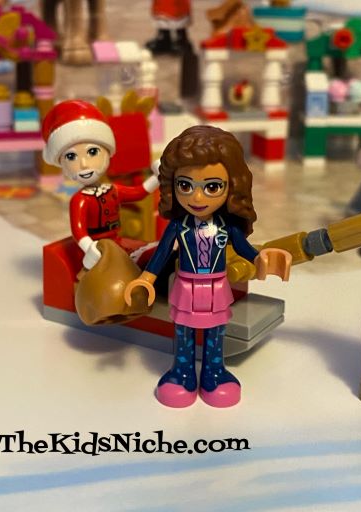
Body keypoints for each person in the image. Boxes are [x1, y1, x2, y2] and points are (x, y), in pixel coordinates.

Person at [124, 126, 291, 408]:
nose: (197, 198)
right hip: (186, 286)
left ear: (231, 186)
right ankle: (182, 372)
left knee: (216, 332)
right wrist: (146, 278)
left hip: (216, 287)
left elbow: (244, 249)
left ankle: (214, 371)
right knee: (183, 332)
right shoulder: (179, 225)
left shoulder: (227, 226)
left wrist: (261, 258)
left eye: (212, 187)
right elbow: (162, 253)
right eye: (185, 186)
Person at [42, 100, 159, 269]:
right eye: (71, 157)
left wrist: (157, 177)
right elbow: (79, 231)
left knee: (150, 253)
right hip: (96, 250)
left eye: (92, 152)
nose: (83, 164)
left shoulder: (112, 189)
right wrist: (89, 248)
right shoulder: (80, 200)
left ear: (108, 153)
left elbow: (138, 192)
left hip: (117, 241)